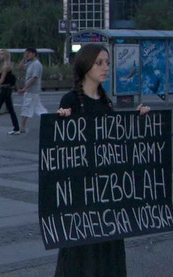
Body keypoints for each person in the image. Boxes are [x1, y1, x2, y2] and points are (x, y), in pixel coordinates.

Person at [55, 44, 150, 277]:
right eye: (99, 63)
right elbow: (61, 149)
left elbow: (117, 142)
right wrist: (62, 121)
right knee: (83, 252)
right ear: (86, 66)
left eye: (107, 62)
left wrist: (140, 120)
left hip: (106, 193)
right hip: (82, 194)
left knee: (107, 250)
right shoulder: (70, 100)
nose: (105, 67)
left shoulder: (106, 102)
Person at [0, 49, 20, 135]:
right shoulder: (5, 65)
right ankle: (16, 128)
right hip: (6, 89)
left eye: (2, 54)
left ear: (6, 55)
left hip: (5, 89)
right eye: (0, 54)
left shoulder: (6, 66)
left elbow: (1, 80)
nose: (0, 56)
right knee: (9, 109)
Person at [17, 48, 47, 133]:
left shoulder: (37, 64)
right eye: (26, 54)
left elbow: (34, 78)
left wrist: (24, 88)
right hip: (31, 91)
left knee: (27, 107)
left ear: (33, 54)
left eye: (28, 53)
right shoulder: (30, 63)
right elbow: (19, 68)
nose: (27, 55)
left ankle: (22, 126)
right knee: (38, 108)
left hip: (32, 90)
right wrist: (24, 59)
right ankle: (49, 121)